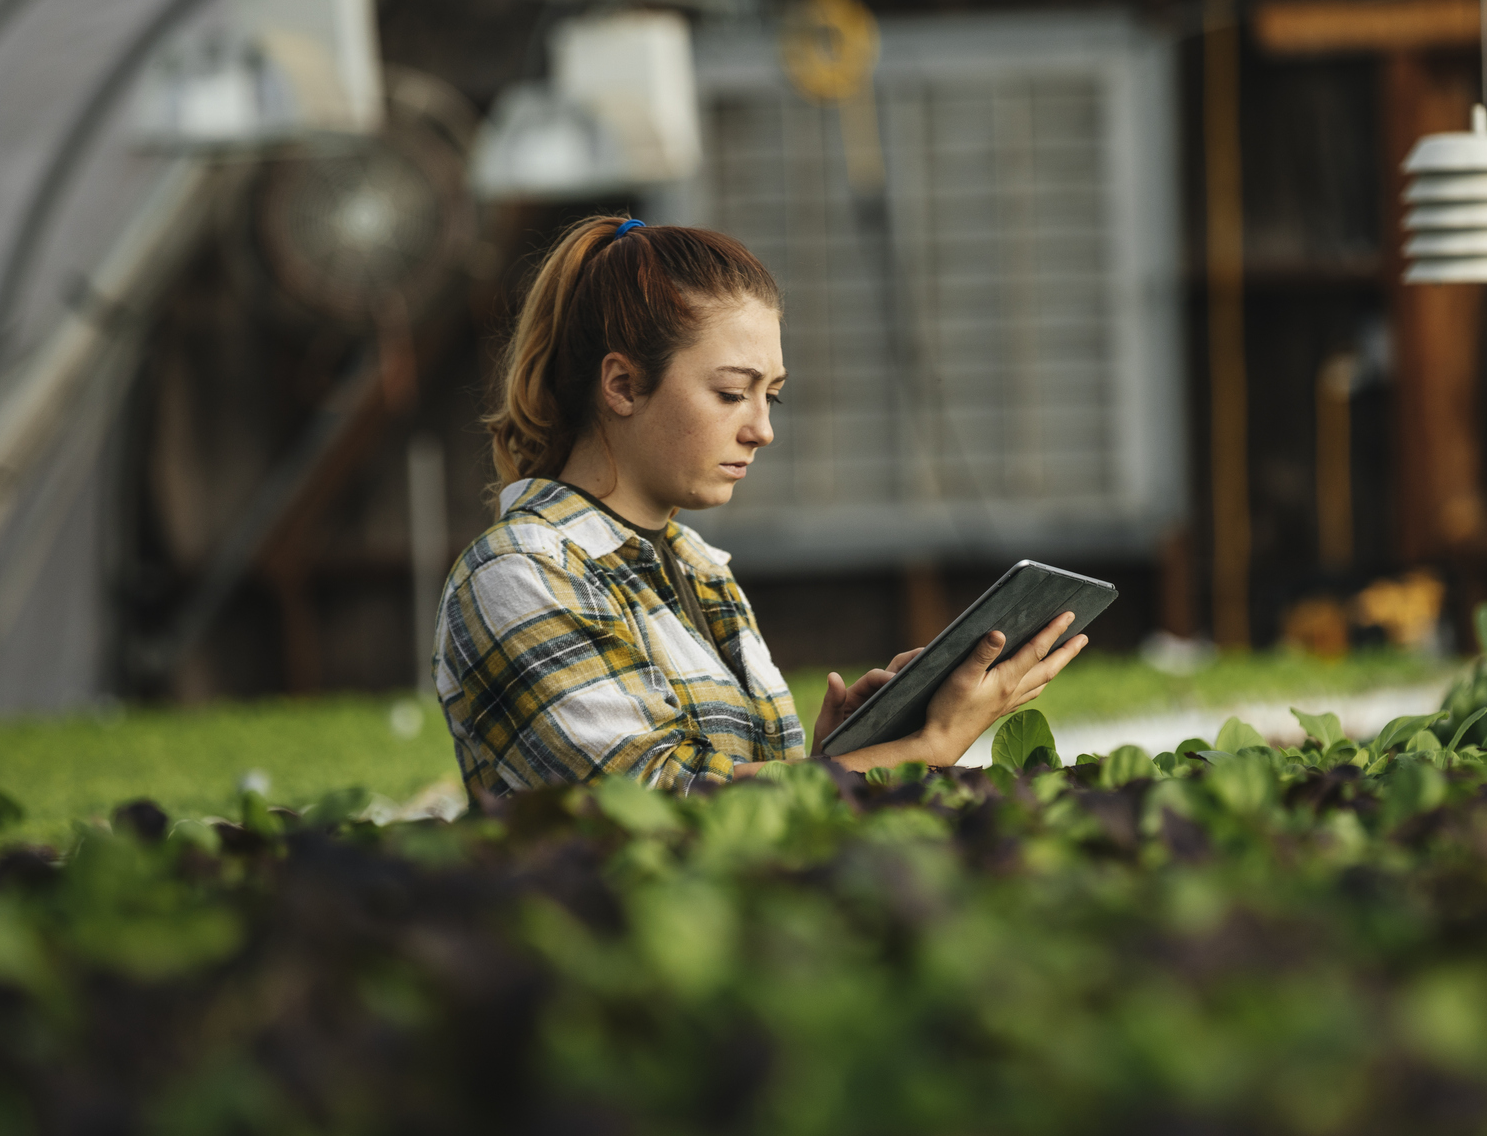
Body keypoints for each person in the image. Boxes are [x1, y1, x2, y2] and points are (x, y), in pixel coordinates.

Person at [433, 215, 1088, 795]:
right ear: (623, 384)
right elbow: (657, 808)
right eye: (730, 394)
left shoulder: (698, 568)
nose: (761, 429)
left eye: (769, 396)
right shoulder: (518, 575)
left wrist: (842, 755)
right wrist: (922, 751)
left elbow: (747, 808)